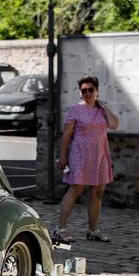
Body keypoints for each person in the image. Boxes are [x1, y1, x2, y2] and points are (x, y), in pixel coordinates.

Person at [55, 75, 120, 243]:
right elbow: (67, 135)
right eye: (84, 90)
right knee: (75, 190)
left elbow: (114, 124)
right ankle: (60, 229)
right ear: (80, 93)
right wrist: (62, 156)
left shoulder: (101, 110)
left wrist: (103, 106)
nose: (88, 93)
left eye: (91, 90)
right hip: (80, 155)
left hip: (99, 155)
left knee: (97, 192)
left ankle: (93, 230)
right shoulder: (75, 110)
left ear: (97, 91)